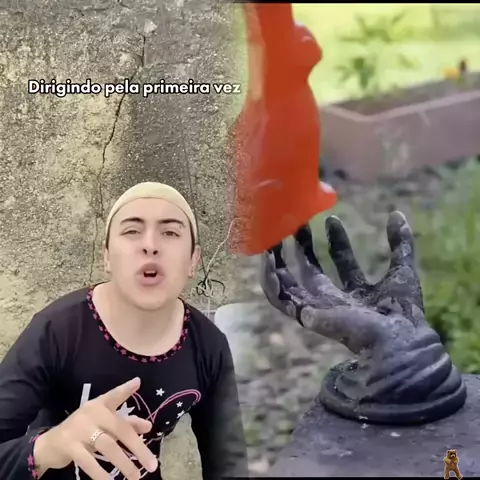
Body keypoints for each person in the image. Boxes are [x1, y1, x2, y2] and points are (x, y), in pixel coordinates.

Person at [0, 182, 248, 480]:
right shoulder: (57, 331)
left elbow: (228, 465)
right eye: (132, 231)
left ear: (193, 260)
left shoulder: (208, 346)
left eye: (170, 232)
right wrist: (48, 446)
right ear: (107, 256)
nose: (150, 245)